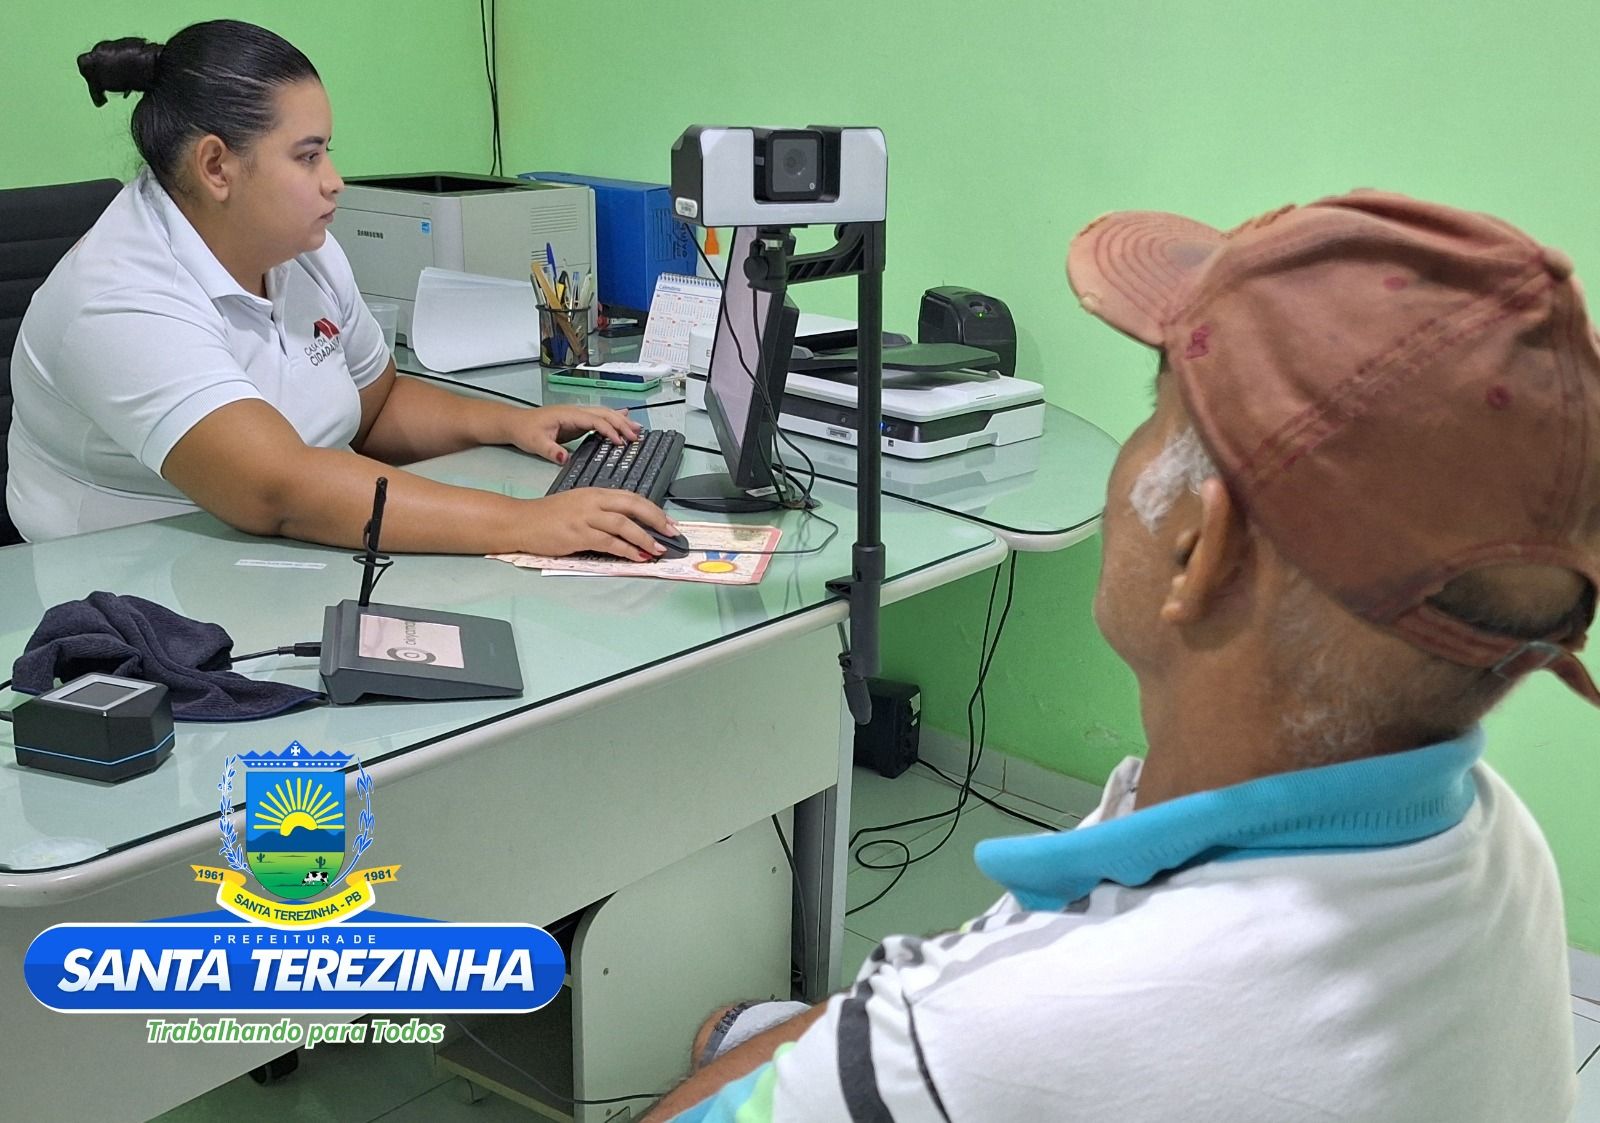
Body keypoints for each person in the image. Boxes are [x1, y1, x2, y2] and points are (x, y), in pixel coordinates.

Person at [644, 191, 1598, 1121]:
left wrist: (866, 1032)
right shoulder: (1498, 844)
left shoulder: (984, 1043)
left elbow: (979, 1046)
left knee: (726, 1029)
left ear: (1199, 549)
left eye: (1155, 408)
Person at [7, 19, 677, 561]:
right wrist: (528, 522)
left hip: (278, 554)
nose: (335, 180)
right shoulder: (118, 295)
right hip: (123, 594)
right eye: (307, 156)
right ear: (216, 166)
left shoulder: (305, 250)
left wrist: (508, 424)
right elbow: (277, 489)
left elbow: (377, 406)